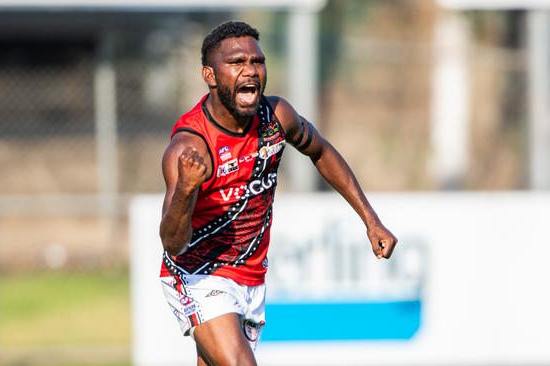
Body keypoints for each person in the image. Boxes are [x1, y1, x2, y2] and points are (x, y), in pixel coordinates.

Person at [158, 21, 397, 366]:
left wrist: (371, 221)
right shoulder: (191, 148)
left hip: (251, 277)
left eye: (257, 61)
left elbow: (321, 151)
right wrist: (185, 189)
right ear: (209, 76)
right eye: (237, 63)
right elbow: (172, 243)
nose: (250, 71)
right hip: (198, 273)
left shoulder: (276, 117)